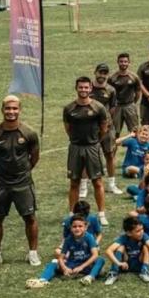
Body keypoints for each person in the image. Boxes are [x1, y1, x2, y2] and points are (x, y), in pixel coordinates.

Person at [0, 95, 41, 270]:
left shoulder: (29, 133)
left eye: (14, 108)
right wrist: (3, 173)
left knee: (30, 217)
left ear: (20, 110)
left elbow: (34, 157)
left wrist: (23, 172)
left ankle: (32, 253)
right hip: (0, 185)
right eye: (8, 108)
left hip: (23, 184)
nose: (11, 112)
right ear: (2, 110)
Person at [64, 77, 110, 226]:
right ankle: (72, 215)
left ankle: (101, 214)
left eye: (86, 87)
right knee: (74, 182)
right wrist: (76, 140)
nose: (83, 90)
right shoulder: (69, 108)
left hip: (92, 147)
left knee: (97, 182)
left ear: (90, 89)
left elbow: (104, 128)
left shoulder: (98, 107)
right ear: (76, 88)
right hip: (75, 147)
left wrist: (94, 141)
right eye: (81, 87)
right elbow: (68, 128)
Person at [25, 214, 104, 288]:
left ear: (85, 227)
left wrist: (81, 267)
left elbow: (95, 255)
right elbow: (61, 257)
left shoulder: (89, 237)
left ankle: (90, 277)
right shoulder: (68, 239)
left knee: (100, 260)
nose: (77, 228)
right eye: (74, 226)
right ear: (71, 228)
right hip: (72, 264)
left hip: (85, 265)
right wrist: (64, 268)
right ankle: (43, 280)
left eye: (80, 226)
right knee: (53, 263)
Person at [90, 63, 122, 196]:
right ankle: (84, 185)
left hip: (107, 127)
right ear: (95, 72)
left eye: (105, 73)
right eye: (100, 72)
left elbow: (113, 109)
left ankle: (111, 184)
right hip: (90, 127)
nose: (102, 75)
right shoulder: (88, 87)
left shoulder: (111, 90)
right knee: (88, 156)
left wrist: (107, 122)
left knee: (109, 154)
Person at [108, 52, 141, 137]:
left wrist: (133, 103)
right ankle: (114, 145)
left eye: (125, 61)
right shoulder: (112, 78)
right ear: (118, 62)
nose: (123, 63)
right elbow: (109, 93)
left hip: (130, 106)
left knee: (134, 131)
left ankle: (134, 145)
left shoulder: (134, 77)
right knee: (115, 131)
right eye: (121, 61)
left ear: (129, 62)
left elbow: (138, 91)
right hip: (117, 107)